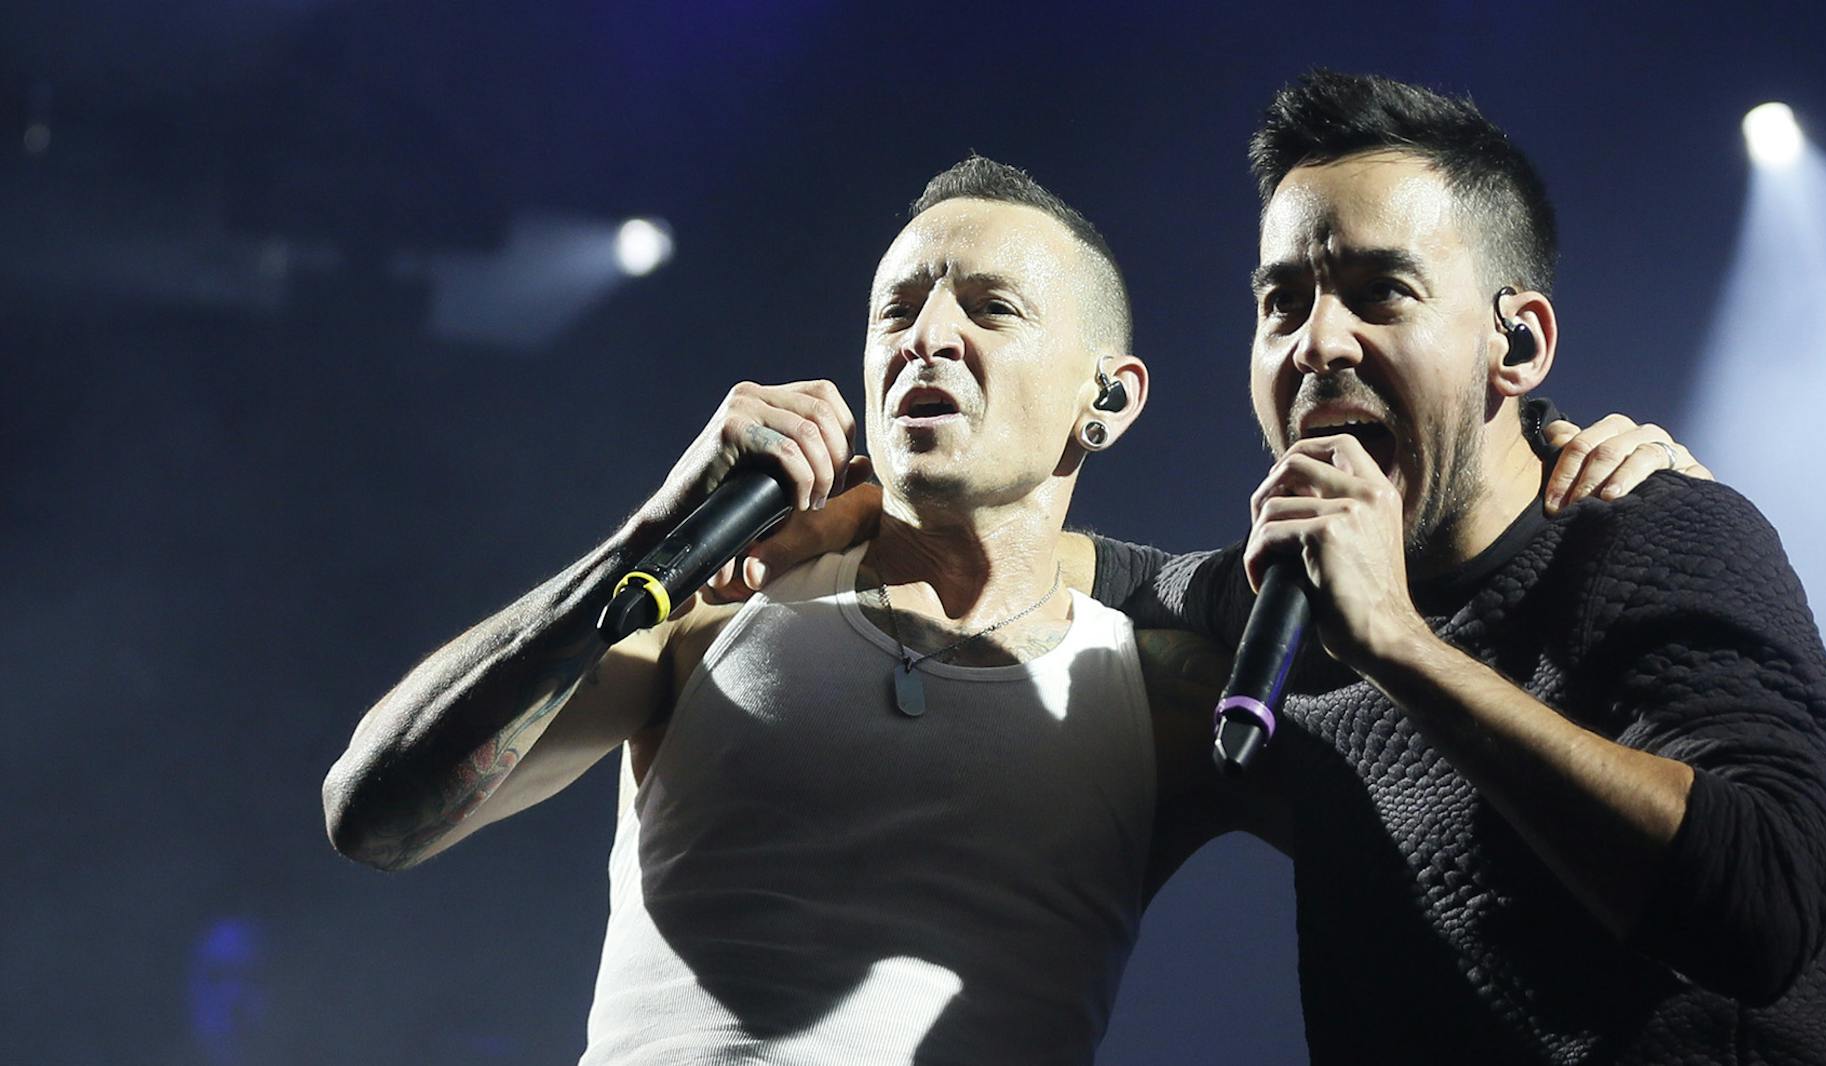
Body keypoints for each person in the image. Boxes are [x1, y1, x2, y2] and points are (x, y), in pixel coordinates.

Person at [323, 153, 1701, 1062]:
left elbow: (1499, 852)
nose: (929, 336)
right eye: (898, 310)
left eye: (990, 308)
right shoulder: (706, 611)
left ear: (1110, 395)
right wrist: (649, 535)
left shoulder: (1165, 688)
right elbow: (377, 814)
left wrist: (1580, 490)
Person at [1087, 71, 1826, 1063]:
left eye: (1381, 293)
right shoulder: (1286, 597)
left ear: (1519, 340)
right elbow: (1095, 574)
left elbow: (1763, 910)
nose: (1318, 342)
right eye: (1282, 303)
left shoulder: (1661, 533)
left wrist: (1400, 647)